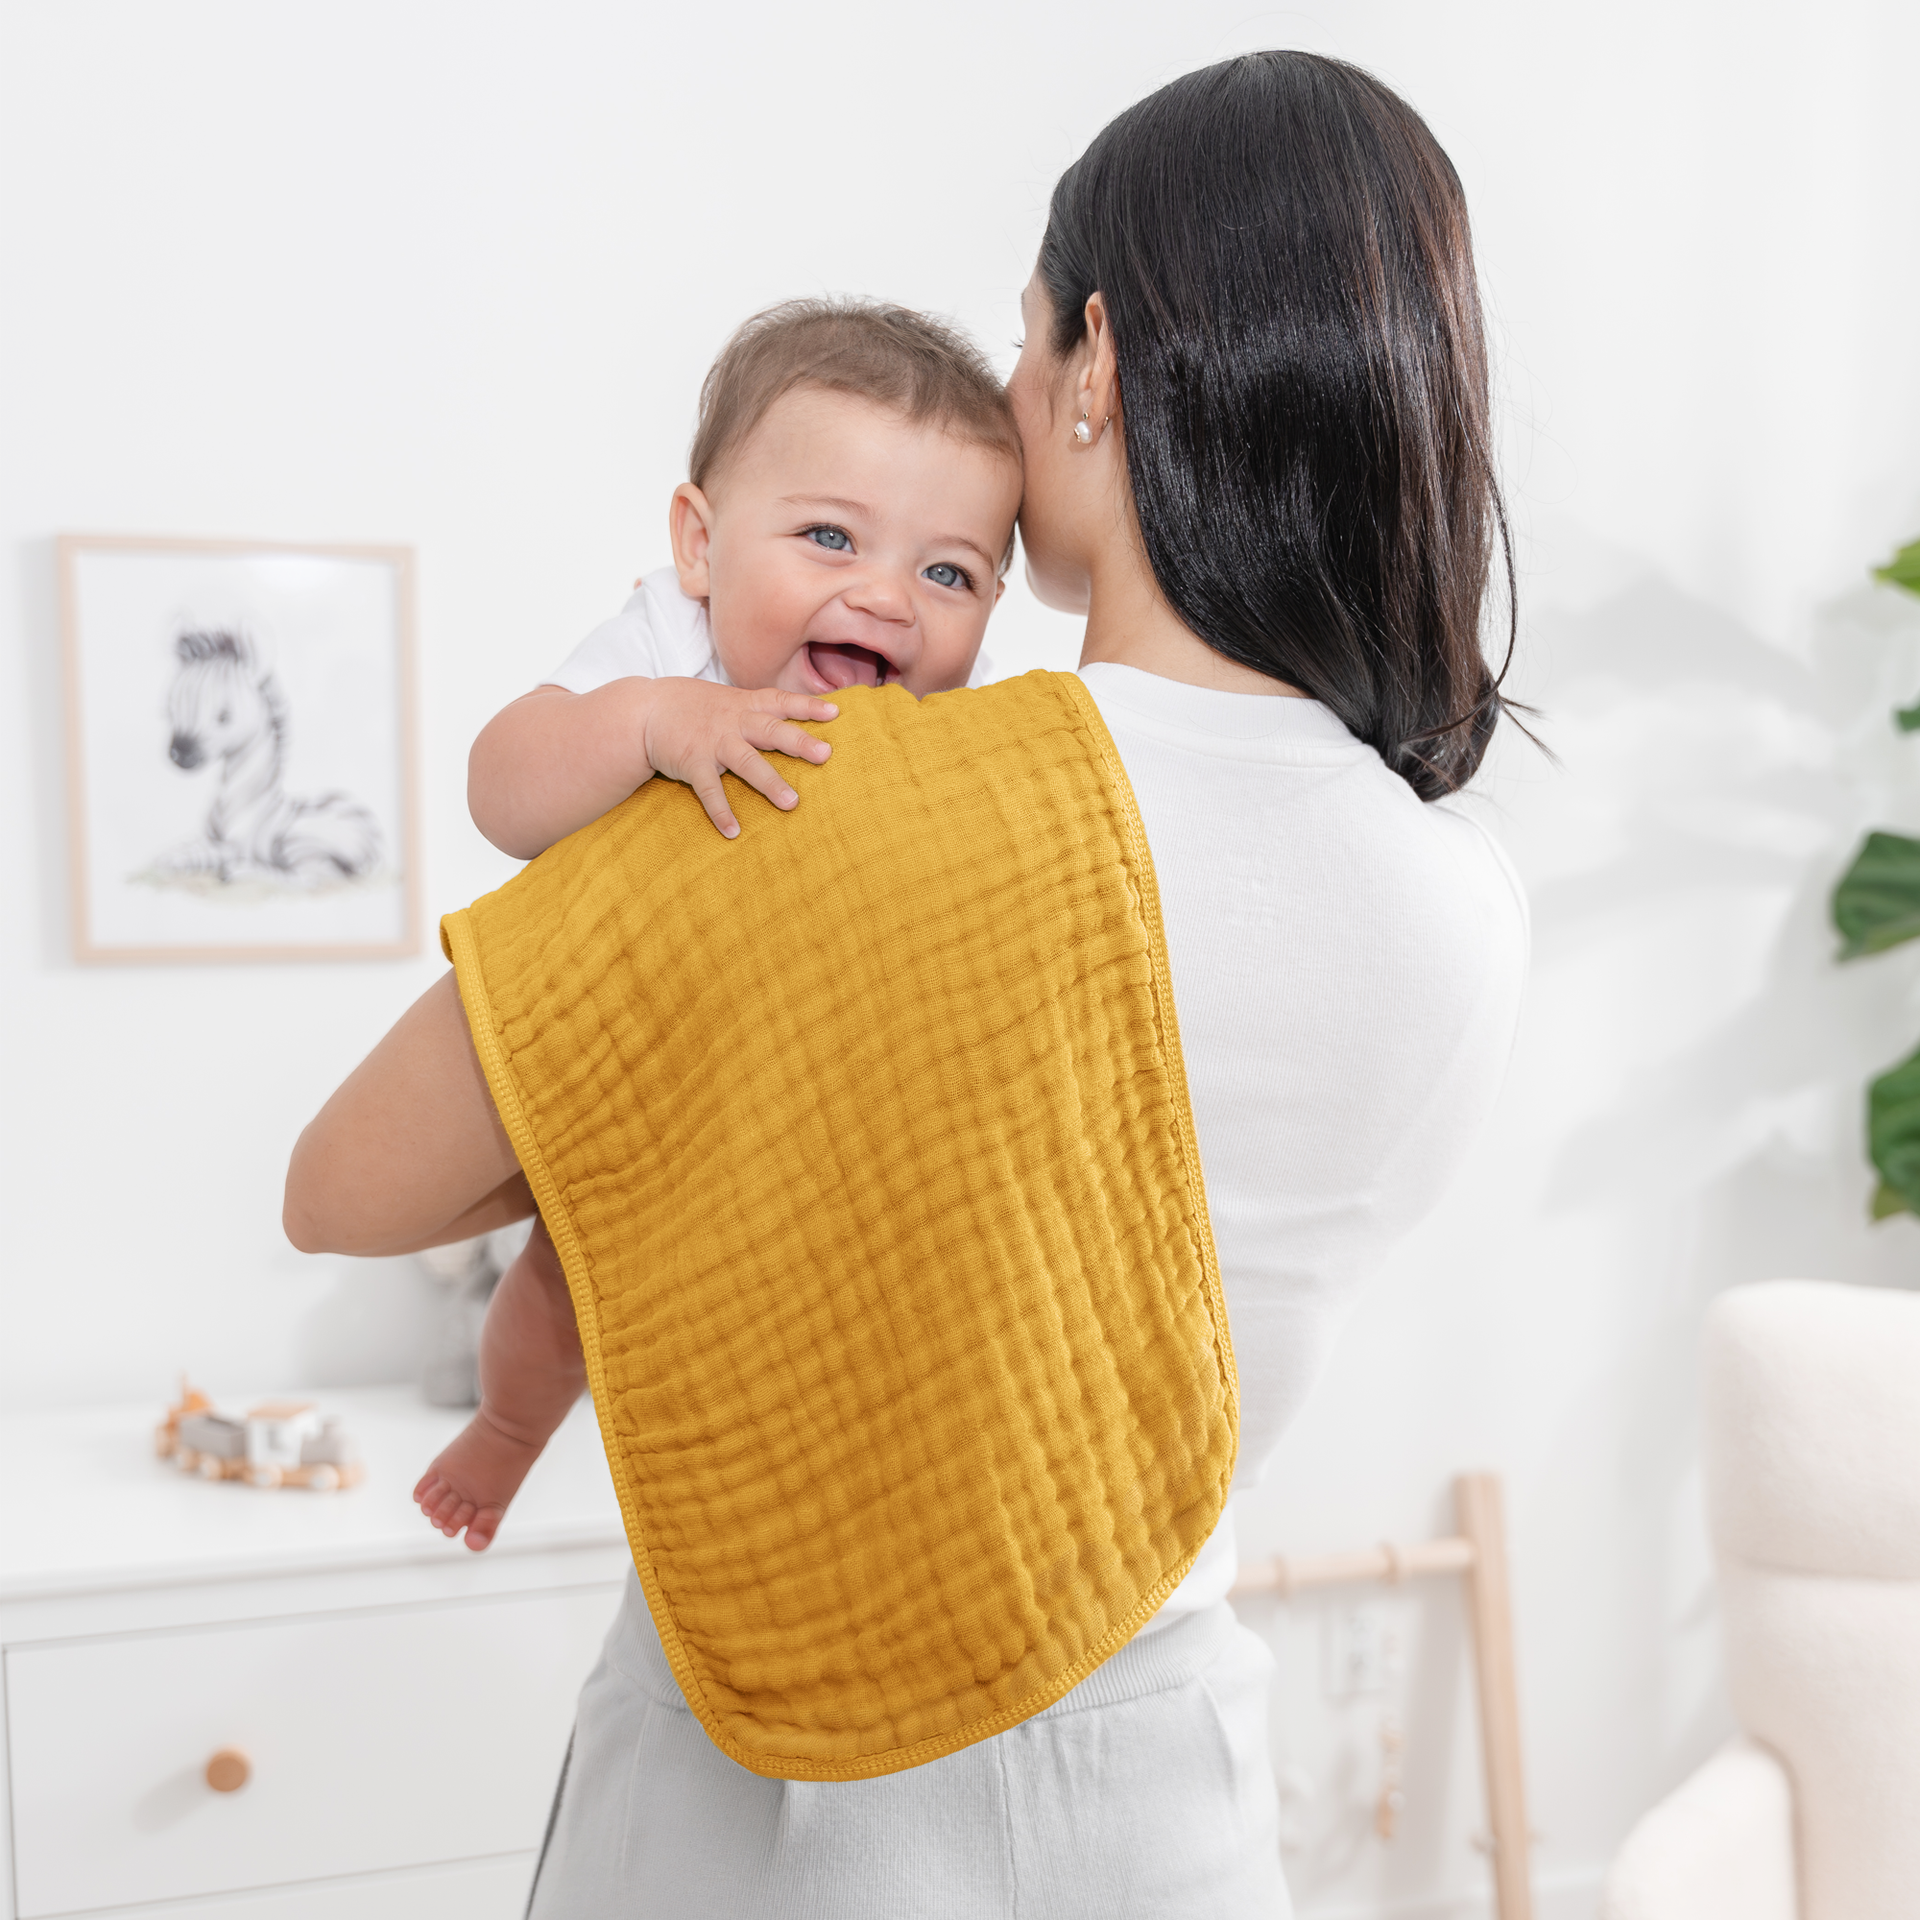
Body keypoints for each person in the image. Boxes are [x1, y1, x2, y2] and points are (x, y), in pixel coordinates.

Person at [285, 50, 1528, 1917]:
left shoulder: (807, 793)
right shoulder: (1463, 898)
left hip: (772, 1787)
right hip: (1165, 1794)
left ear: (1097, 366)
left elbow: (341, 1189)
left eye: (1026, 343)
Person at [413, 300, 1025, 1550]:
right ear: (700, 544)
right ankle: (508, 1432)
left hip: (792, 1095)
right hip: (638, 1060)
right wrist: (652, 723)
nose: (888, 598)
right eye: (829, 537)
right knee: (563, 1279)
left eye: (948, 572)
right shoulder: (670, 645)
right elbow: (499, 788)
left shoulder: (941, 731)